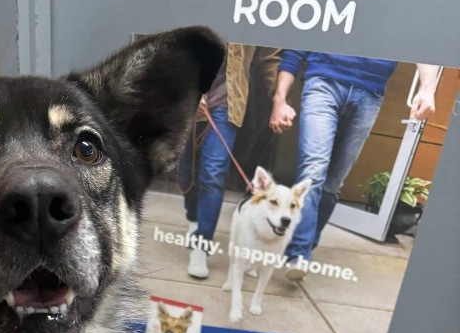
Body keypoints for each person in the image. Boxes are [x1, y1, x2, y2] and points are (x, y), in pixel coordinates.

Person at [270, 51, 440, 281]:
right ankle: (298, 254)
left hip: (370, 93)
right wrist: (279, 100)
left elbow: (421, 43)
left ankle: (305, 245)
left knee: (332, 183)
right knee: (313, 169)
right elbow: (294, 50)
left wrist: (427, 88)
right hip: (323, 82)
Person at [180, 44, 281, 279]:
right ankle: (194, 218)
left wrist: (274, 99)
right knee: (186, 170)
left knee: (213, 172)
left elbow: (269, 56)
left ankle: (202, 244)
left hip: (230, 102)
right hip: (189, 96)